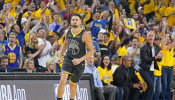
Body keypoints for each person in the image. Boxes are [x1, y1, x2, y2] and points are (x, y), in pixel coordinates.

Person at [56, 14, 94, 100]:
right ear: (70, 21)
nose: (74, 21)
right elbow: (65, 44)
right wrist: (60, 56)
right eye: (73, 19)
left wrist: (80, 59)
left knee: (73, 84)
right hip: (68, 58)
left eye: (77, 20)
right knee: (62, 80)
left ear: (81, 22)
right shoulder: (67, 32)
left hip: (79, 62)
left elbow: (91, 51)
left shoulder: (85, 34)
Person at [139, 31, 163, 100]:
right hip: (143, 69)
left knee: (151, 88)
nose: (150, 37)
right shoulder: (143, 47)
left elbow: (158, 60)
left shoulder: (156, 47)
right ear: (146, 37)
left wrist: (160, 57)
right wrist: (156, 57)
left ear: (154, 37)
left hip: (151, 70)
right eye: (149, 35)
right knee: (151, 86)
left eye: (152, 35)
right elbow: (146, 59)